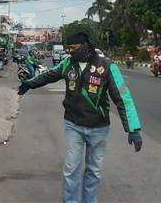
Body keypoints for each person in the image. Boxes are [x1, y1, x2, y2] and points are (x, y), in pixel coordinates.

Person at [18, 33, 142, 203]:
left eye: (73, 48)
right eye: (68, 49)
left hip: (98, 127)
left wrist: (133, 128)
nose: (70, 52)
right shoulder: (68, 63)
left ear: (85, 46)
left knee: (94, 170)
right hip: (73, 124)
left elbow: (122, 97)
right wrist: (29, 83)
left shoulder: (107, 66)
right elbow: (49, 75)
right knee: (71, 168)